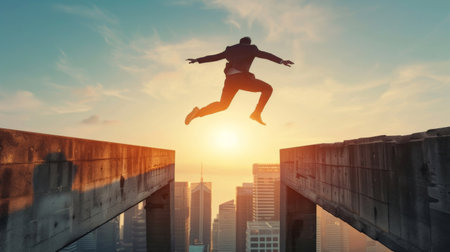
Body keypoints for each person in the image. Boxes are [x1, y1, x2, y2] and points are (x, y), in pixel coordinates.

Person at [185, 36, 294, 126]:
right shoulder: (252, 48)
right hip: (241, 79)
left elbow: (215, 57)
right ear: (249, 43)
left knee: (223, 105)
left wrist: (198, 60)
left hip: (230, 80)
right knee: (268, 89)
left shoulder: (230, 49)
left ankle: (198, 112)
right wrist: (281, 61)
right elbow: (265, 55)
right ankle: (256, 113)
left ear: (240, 42)